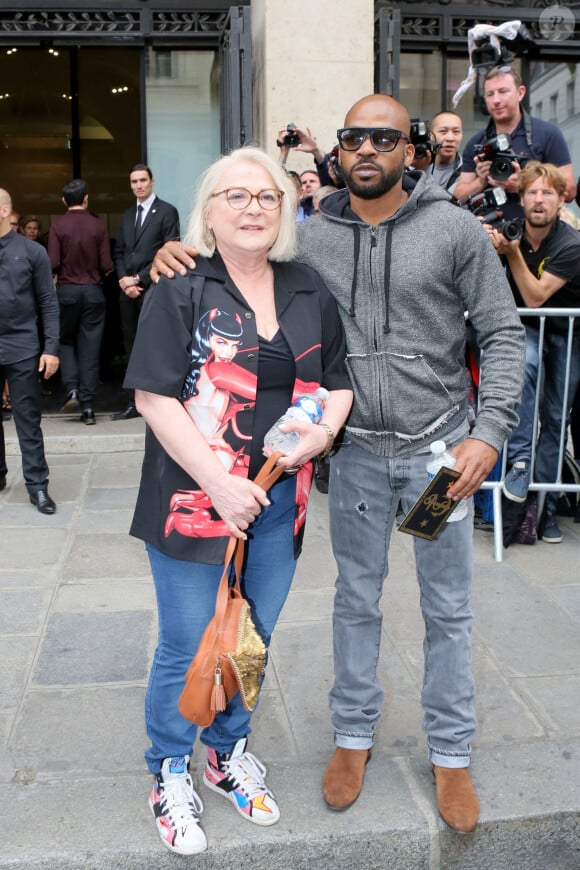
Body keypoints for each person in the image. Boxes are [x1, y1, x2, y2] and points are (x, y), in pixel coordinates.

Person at [150, 95, 526, 835]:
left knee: (447, 610)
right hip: (353, 460)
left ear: (411, 151)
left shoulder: (453, 231)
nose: (366, 149)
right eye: (354, 137)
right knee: (356, 601)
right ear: (339, 149)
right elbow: (241, 256)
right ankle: (352, 739)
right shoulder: (312, 238)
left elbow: (504, 334)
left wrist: (489, 432)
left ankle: (451, 752)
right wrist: (180, 252)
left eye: (384, 138)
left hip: (441, 458)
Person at [126, 146, 352, 856]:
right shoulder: (182, 284)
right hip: (196, 500)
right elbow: (152, 396)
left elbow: (339, 380)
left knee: (249, 638)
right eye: (237, 196)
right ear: (210, 211)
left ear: (283, 210)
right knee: (188, 641)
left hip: (280, 503)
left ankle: (227, 754)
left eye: (266, 196)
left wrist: (323, 435)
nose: (252, 208)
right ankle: (168, 768)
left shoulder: (308, 286)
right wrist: (221, 484)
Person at [487, 162, 580, 544]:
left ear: (561, 201)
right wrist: (488, 248)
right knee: (522, 384)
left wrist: (510, 255)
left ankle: (547, 502)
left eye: (547, 193)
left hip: (568, 333)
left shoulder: (571, 243)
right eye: (532, 193)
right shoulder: (509, 233)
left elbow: (536, 295)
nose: (539, 200)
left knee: (557, 418)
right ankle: (519, 489)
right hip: (525, 329)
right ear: (520, 199)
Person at [0, 188, 59, 513]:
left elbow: (48, 303)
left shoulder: (32, 251)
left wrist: (50, 347)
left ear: (5, 210)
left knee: (27, 420)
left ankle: (37, 486)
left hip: (22, 346)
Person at [454, 66, 576, 218]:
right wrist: (482, 181)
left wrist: (524, 185)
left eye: (503, 91)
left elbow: (570, 191)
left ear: (521, 93)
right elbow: (458, 197)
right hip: (489, 234)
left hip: (537, 234)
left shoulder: (547, 134)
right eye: (490, 94)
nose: (496, 100)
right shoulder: (478, 142)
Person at [112, 163, 180, 420]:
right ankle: (134, 401)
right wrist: (123, 280)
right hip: (127, 292)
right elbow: (119, 251)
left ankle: (158, 401)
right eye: (134, 182)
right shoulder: (128, 215)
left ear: (152, 181)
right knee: (130, 346)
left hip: (152, 288)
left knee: (154, 345)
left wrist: (138, 279)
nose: (138, 185)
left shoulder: (166, 211)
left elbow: (170, 248)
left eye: (142, 180)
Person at [48, 179, 114, 425]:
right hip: (94, 292)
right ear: (86, 198)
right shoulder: (98, 226)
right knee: (90, 347)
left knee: (65, 341)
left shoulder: (58, 226)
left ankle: (72, 390)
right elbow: (107, 265)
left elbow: (52, 263)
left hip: (66, 291)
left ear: (64, 201)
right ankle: (88, 407)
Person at [427, 111, 463, 193]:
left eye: (456, 132)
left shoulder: (468, 173)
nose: (450, 138)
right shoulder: (415, 167)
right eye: (443, 131)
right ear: (431, 135)